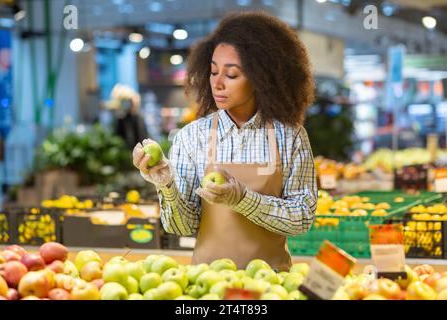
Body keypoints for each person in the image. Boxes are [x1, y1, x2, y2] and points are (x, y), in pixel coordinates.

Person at [132, 11, 317, 271]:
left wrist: (243, 199)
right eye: (213, 72)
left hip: (273, 284)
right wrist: (166, 185)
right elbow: (182, 227)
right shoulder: (191, 137)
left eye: (231, 75)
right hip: (207, 286)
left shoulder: (290, 136)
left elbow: (301, 218)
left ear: (261, 77)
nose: (217, 83)